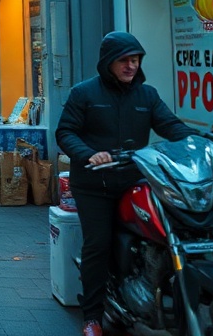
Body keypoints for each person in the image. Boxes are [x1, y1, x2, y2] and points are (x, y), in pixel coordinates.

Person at [56, 32, 194, 336]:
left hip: (134, 180)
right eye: (124, 60)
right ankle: (92, 316)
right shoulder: (84, 93)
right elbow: (65, 133)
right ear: (108, 62)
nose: (131, 66)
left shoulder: (148, 96)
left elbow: (171, 126)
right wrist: (90, 155)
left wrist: (200, 144)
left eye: (135, 60)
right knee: (98, 244)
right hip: (94, 185)